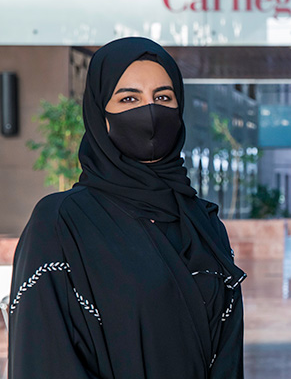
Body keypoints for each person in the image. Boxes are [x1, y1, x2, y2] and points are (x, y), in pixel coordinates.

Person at [8, 37, 245, 378]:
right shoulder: (62, 223)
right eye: (129, 98)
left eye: (163, 97)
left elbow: (227, 353)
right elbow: (46, 355)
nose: (149, 112)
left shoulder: (203, 224)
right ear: (99, 113)